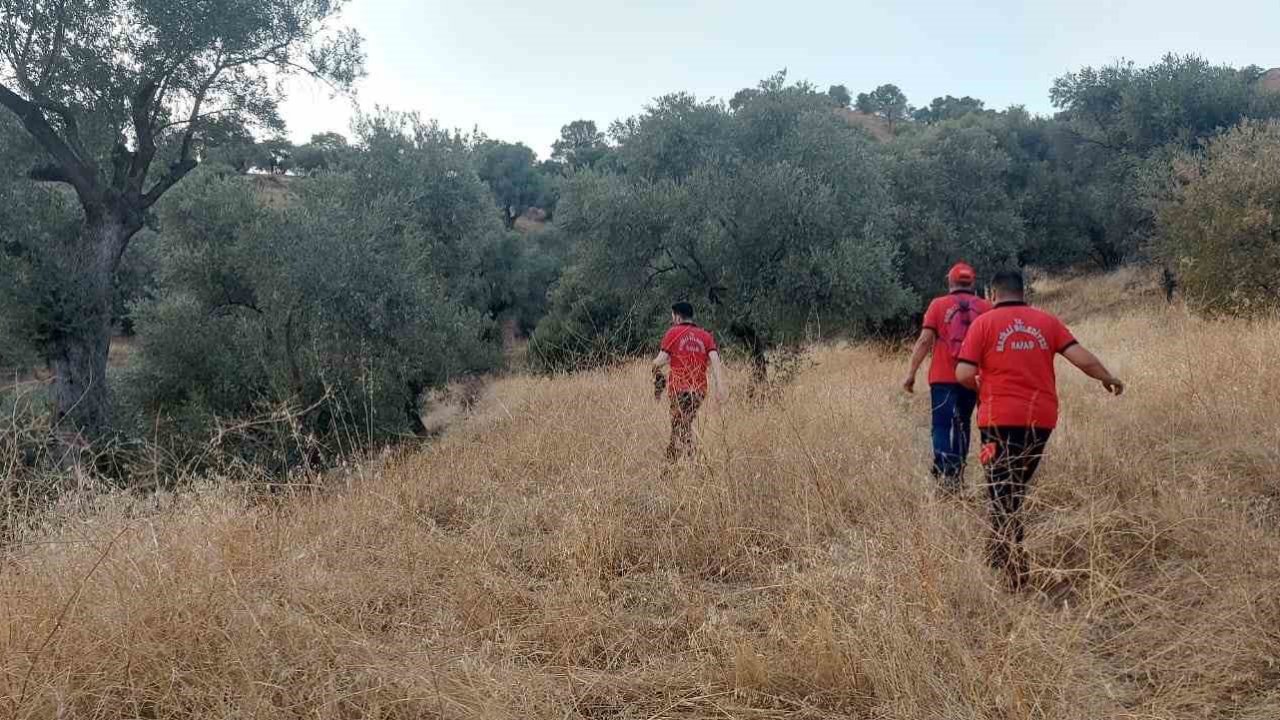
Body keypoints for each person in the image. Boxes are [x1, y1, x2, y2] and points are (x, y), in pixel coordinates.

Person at [955, 270, 1124, 588]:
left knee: (1002, 491)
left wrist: (981, 386)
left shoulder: (983, 324)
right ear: (1022, 292)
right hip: (1040, 420)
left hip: (997, 420)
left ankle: (1013, 570)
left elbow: (963, 372)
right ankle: (1000, 554)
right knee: (1013, 487)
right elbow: (1080, 357)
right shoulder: (1047, 321)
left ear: (993, 294)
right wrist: (1107, 377)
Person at [902, 262, 992, 490]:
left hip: (942, 377)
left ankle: (944, 473)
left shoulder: (938, 305)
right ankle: (958, 473)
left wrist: (911, 373)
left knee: (941, 426)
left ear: (950, 282)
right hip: (972, 377)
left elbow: (924, 340)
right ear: (972, 282)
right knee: (963, 424)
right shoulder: (986, 307)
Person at [652, 302, 727, 465]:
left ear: (678, 316)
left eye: (673, 317)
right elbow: (715, 360)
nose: (673, 320)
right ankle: (683, 464)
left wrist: (654, 367)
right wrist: (720, 387)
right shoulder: (706, 336)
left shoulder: (673, 333)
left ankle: (685, 464)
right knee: (683, 424)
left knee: (680, 426)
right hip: (699, 391)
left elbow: (660, 361)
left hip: (678, 390)